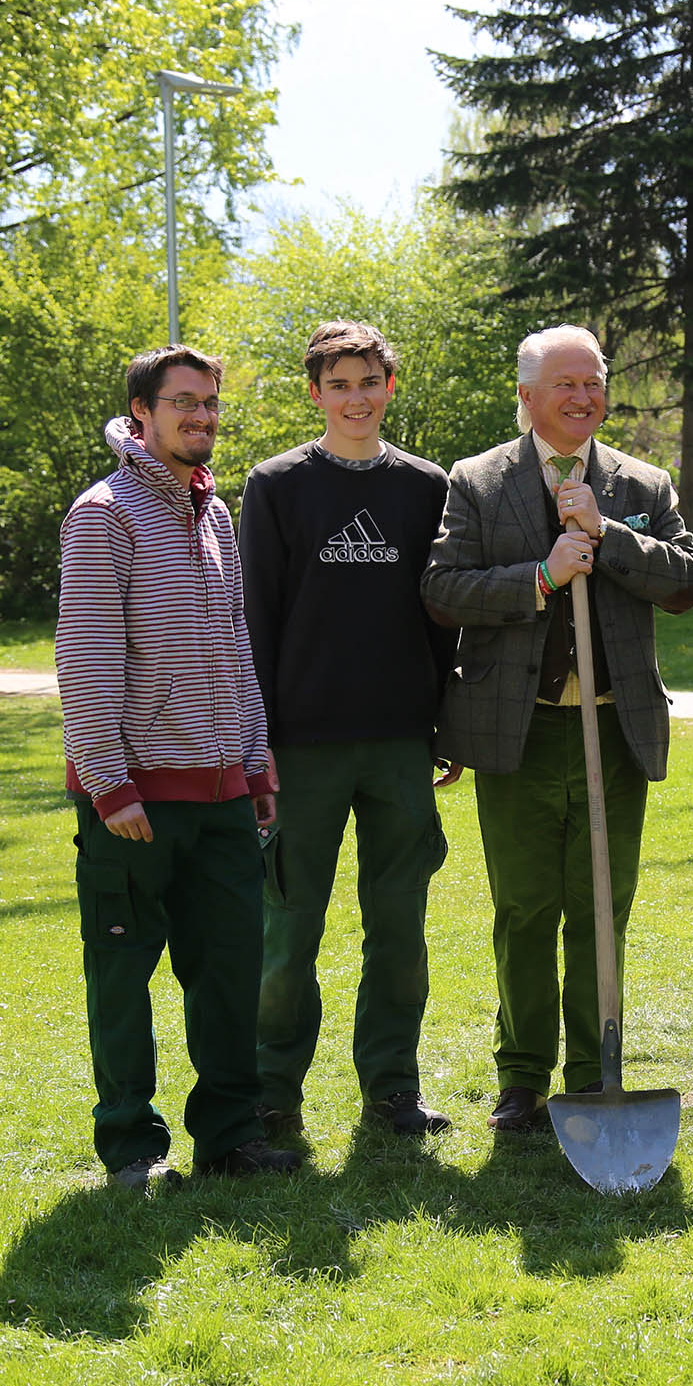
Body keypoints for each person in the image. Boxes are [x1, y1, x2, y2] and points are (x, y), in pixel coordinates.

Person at [420, 325, 693, 1136]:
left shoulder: (641, 484)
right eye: (565, 384)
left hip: (614, 733)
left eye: (594, 381)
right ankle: (521, 1078)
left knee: (600, 908)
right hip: (522, 734)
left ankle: (592, 1071)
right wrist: (543, 575)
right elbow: (443, 589)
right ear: (527, 395)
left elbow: (689, 582)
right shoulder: (478, 482)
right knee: (524, 909)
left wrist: (609, 536)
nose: (583, 396)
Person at [57, 343, 300, 1189]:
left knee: (229, 974)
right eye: (183, 402)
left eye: (209, 403)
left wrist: (256, 763)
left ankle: (231, 1138)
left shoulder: (215, 515)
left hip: (223, 794)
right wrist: (108, 781)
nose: (201, 417)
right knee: (123, 977)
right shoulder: (104, 514)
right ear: (142, 413)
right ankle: (131, 1147)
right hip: (134, 801)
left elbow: (236, 648)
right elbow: (85, 660)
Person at [239, 321, 460, 1142]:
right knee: (290, 928)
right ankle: (272, 1090)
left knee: (399, 927)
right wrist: (255, 737)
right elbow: (253, 617)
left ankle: (393, 1088)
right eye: (339, 384)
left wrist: (444, 726)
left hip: (400, 740)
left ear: (389, 387)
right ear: (316, 392)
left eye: (368, 381)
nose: (355, 397)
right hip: (300, 744)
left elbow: (444, 616)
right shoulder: (276, 485)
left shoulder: (425, 486)